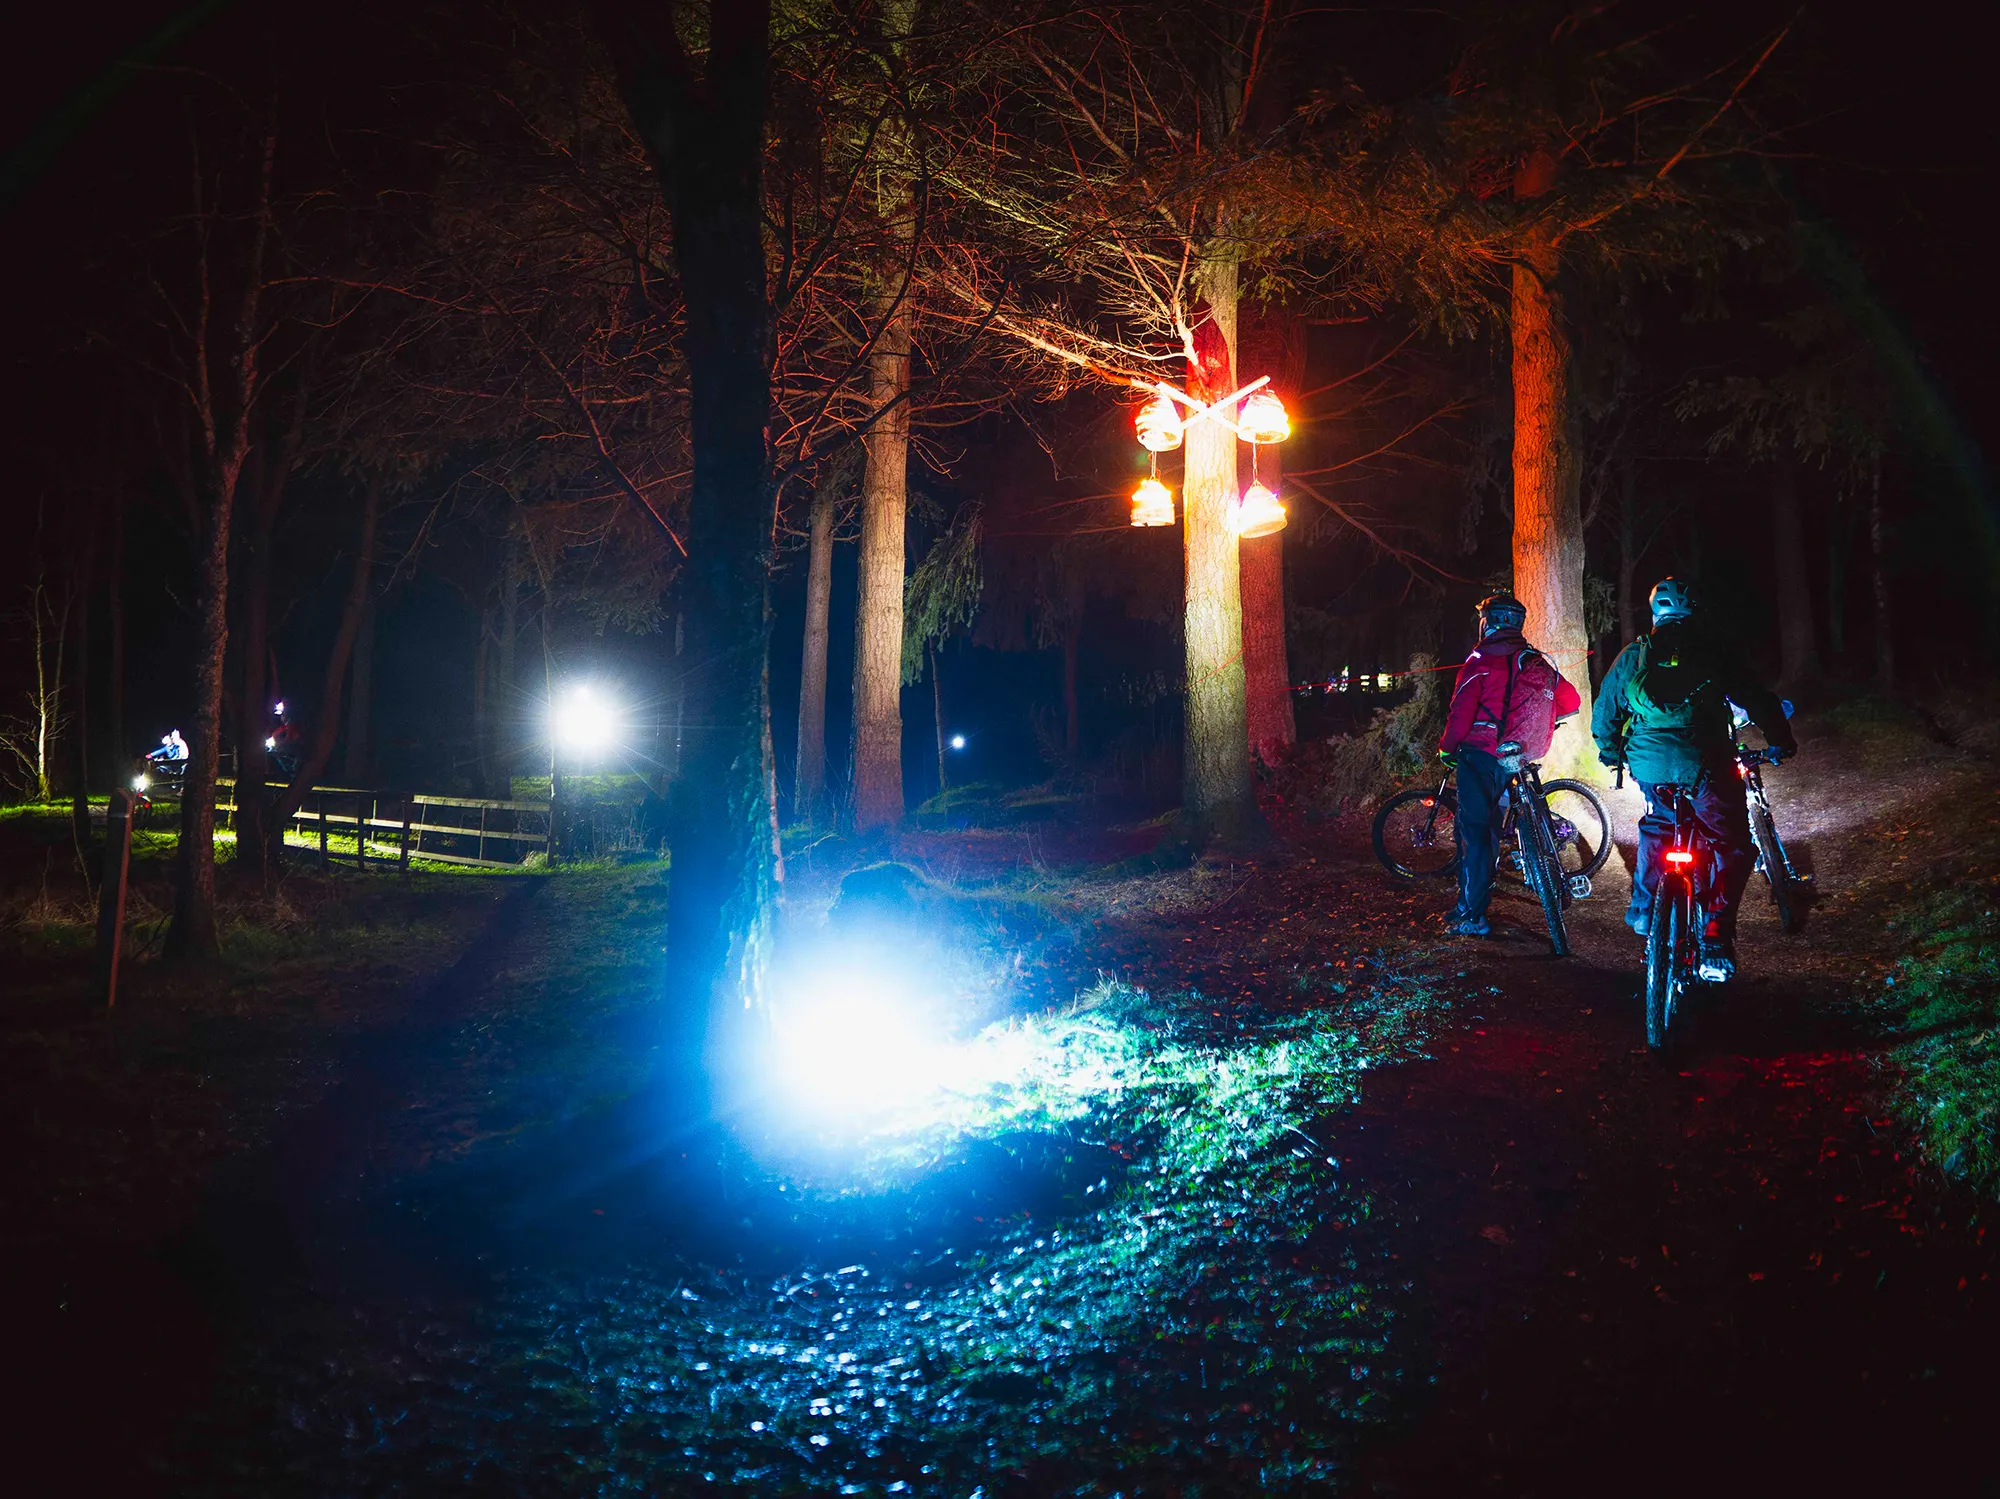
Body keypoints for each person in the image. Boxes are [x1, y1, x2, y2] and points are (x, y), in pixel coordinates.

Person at [1593, 577, 1798, 981]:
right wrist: (1780, 741)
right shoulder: (1714, 651)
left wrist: (1612, 752)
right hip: (1707, 761)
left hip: (1649, 764)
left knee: (1656, 822)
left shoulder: (1635, 655)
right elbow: (1758, 699)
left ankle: (1642, 909)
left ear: (1655, 614)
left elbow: (1605, 713)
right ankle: (1716, 938)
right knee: (1733, 844)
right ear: (1694, 612)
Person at [1437, 592, 1582, 937]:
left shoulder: (1480, 660)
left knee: (1475, 829)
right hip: (1519, 756)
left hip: (1480, 754)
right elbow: (1571, 700)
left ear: (1489, 622)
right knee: (1498, 817)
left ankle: (1471, 914)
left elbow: (1461, 713)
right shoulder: (1534, 660)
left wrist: (1447, 748)